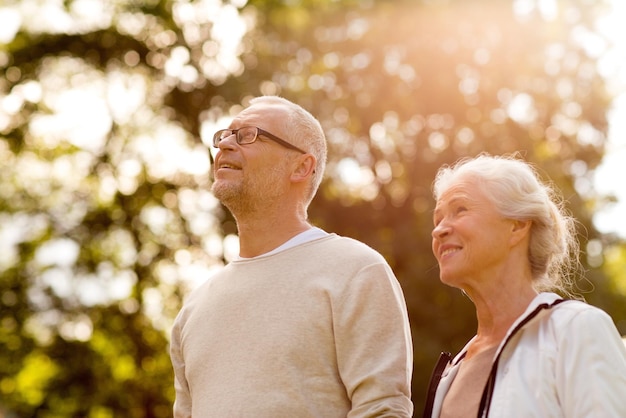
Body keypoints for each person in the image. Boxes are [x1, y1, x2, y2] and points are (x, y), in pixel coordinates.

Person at [169, 95, 414, 417]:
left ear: (301, 167)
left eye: (248, 135)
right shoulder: (194, 308)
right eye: (225, 134)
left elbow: (383, 409)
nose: (226, 144)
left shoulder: (355, 270)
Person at [423, 154, 626, 418]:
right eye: (438, 219)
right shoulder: (455, 368)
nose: (438, 230)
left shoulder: (577, 330)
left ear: (517, 225)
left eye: (460, 210)